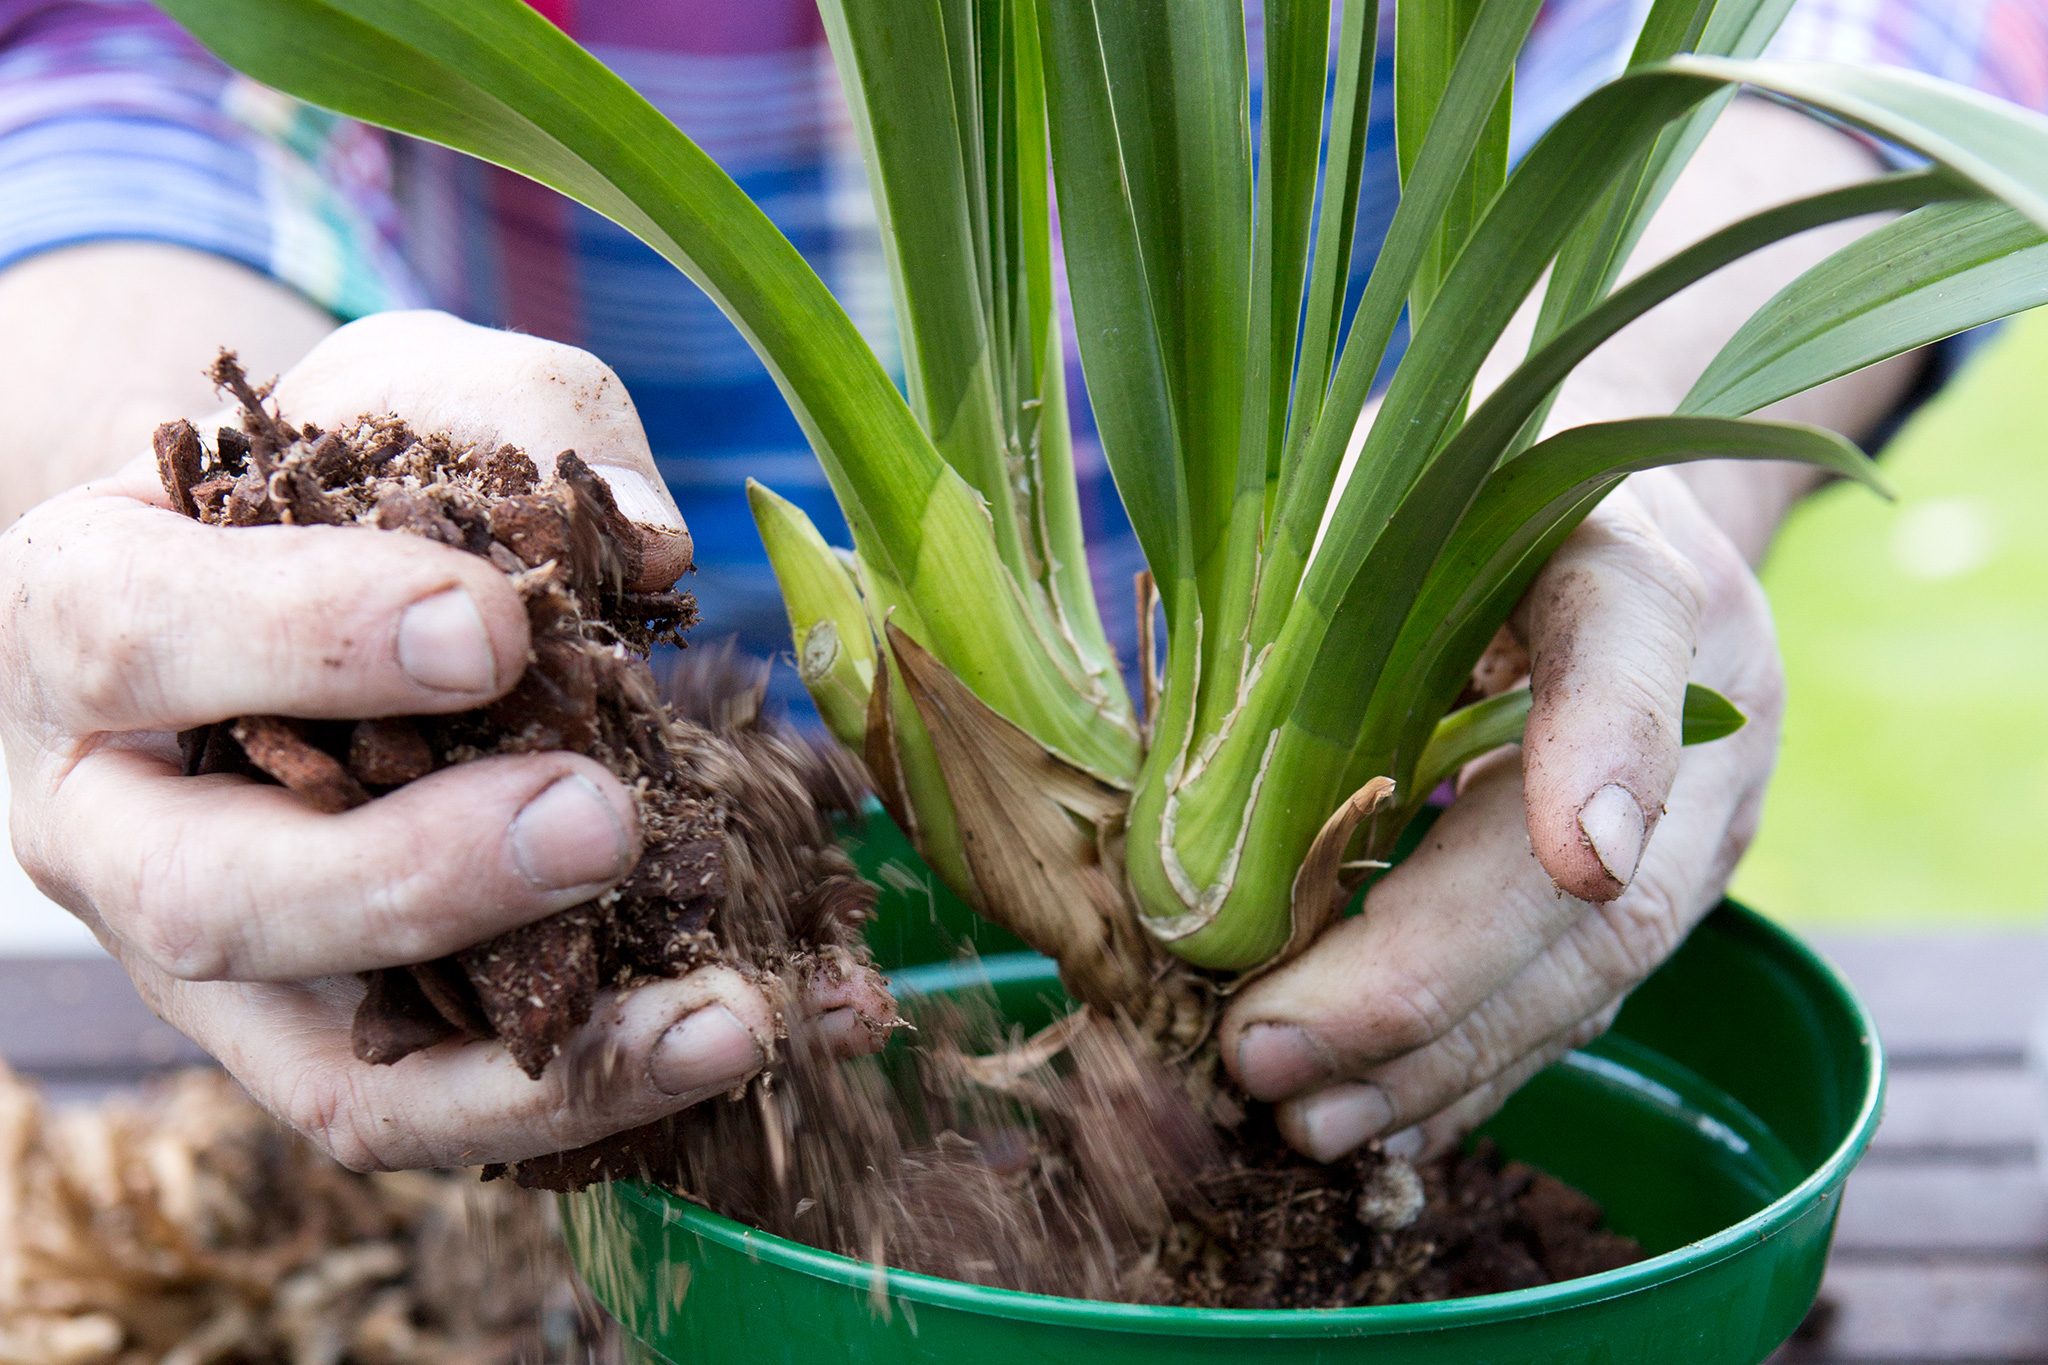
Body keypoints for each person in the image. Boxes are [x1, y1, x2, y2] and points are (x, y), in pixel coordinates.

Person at [0, 0, 2041, 1175]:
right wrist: (266, 496)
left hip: (1400, 648)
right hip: (670, 827)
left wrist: (1606, 414)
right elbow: (111, 62)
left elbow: (1858, 39)